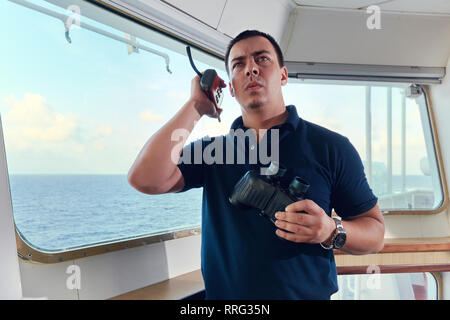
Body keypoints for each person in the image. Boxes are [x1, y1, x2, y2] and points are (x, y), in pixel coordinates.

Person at [127, 30, 385, 300]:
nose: (250, 68)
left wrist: (332, 231)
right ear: (230, 87)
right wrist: (195, 106)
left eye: (262, 59)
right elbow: (145, 178)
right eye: (238, 64)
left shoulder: (331, 147)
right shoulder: (213, 151)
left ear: (283, 75)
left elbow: (375, 233)